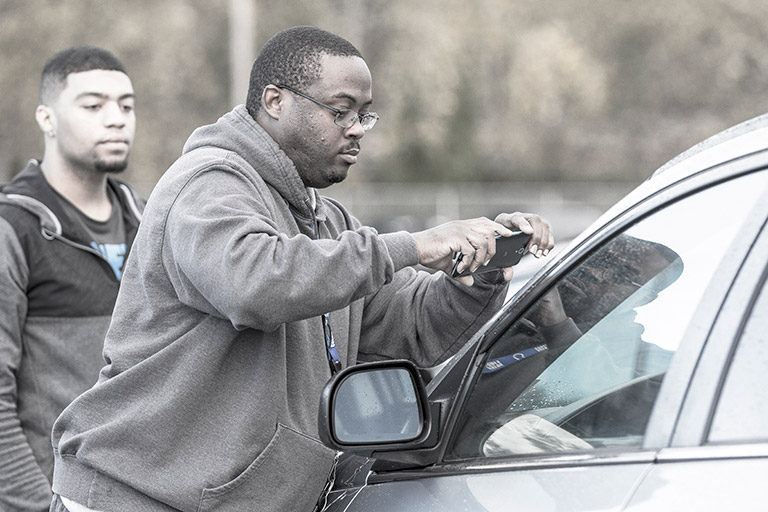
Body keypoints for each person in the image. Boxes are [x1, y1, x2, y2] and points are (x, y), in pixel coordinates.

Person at [50, 27, 554, 512]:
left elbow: (413, 323)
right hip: (135, 497)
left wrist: (482, 269)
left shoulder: (326, 221)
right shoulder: (208, 183)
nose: (357, 129)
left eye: (364, 115)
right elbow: (254, 282)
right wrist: (415, 245)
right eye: (340, 111)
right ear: (275, 101)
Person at [0, 46, 143, 511]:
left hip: (146, 492)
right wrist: (45, 507)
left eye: (126, 105)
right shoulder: (14, 227)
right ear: (47, 118)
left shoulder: (151, 222)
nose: (116, 119)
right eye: (93, 105)